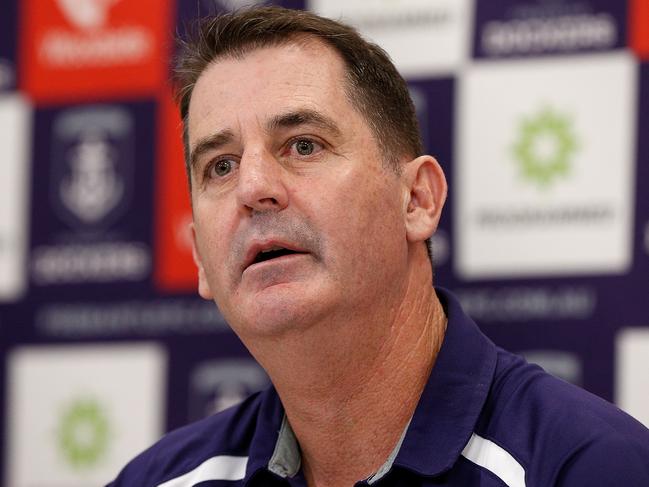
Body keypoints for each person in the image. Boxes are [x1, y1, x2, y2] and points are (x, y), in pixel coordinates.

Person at [109, 6, 649, 487]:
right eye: (220, 165)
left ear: (416, 200)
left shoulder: (590, 466)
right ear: (201, 256)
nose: (252, 188)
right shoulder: (156, 479)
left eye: (302, 145)